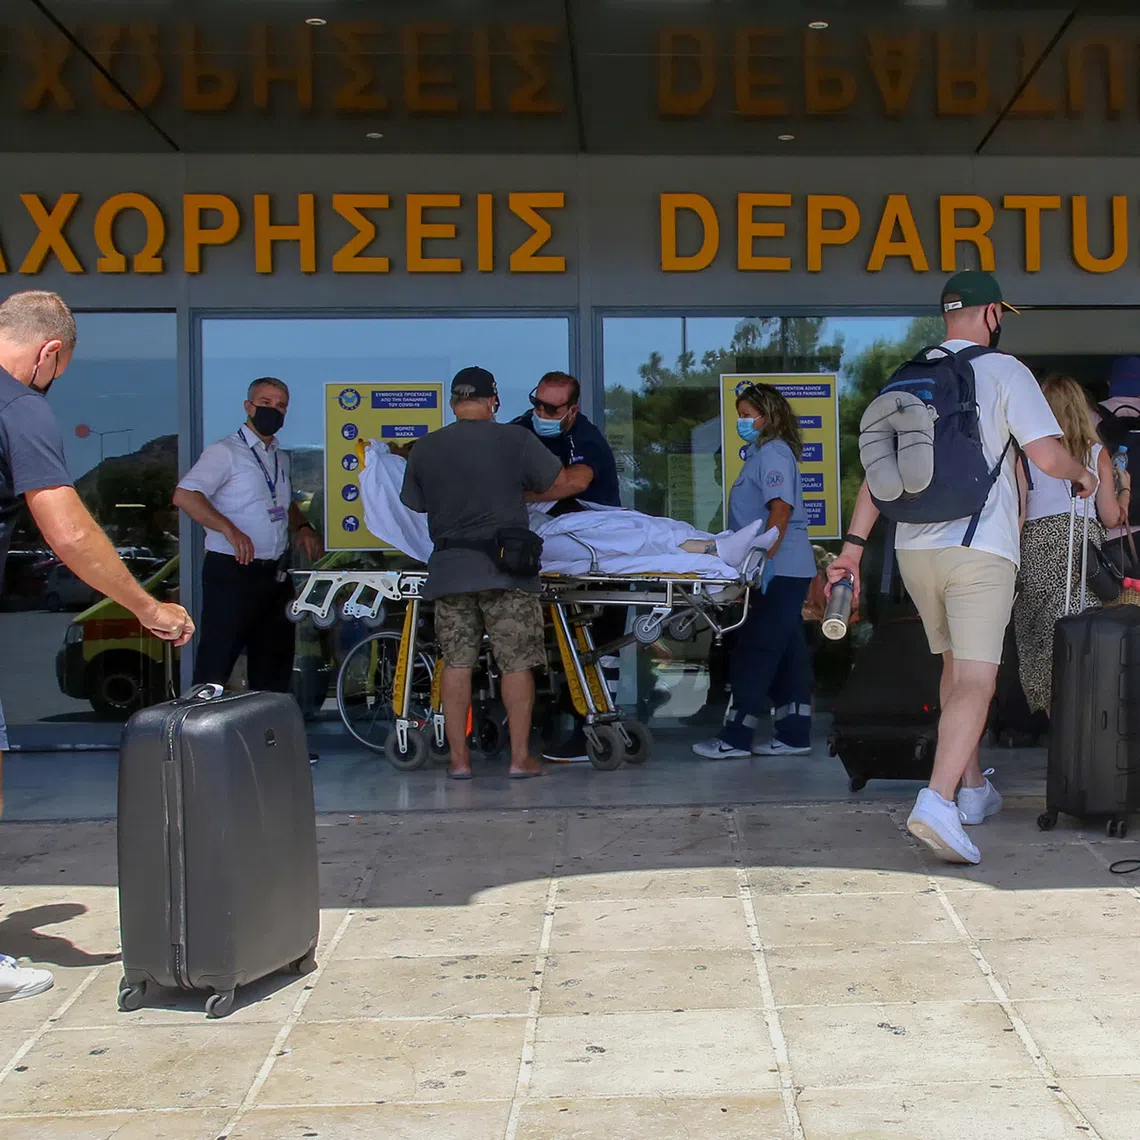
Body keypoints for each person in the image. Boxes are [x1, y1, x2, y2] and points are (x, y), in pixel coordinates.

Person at [828, 271, 1097, 865]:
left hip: (914, 551)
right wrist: (1086, 475)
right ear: (993, 314)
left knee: (954, 667)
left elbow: (879, 475)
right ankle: (938, 801)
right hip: (979, 548)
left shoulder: (906, 374)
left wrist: (851, 549)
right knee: (978, 679)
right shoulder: (1004, 372)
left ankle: (972, 787)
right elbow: (1047, 455)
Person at [0, 290, 193, 1002]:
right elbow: (69, 530)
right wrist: (147, 607)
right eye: (61, 368)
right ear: (50, 353)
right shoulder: (18, 407)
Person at [400, 366, 572, 780]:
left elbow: (415, 503)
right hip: (506, 572)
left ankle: (459, 762)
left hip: (450, 571)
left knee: (456, 663)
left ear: (453, 403)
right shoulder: (515, 440)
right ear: (493, 400)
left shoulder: (426, 447)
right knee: (516, 664)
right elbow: (558, 481)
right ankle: (519, 759)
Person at [173, 378, 323, 701]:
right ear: (248, 407)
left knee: (273, 669)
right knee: (216, 665)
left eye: (281, 405)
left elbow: (282, 504)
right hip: (233, 573)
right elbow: (185, 495)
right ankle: (198, 745)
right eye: (266, 402)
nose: (274, 410)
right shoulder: (225, 452)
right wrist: (229, 529)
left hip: (275, 576)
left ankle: (269, 748)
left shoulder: (279, 458)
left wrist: (303, 526)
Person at [692, 383, 817, 759]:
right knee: (788, 649)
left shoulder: (773, 453)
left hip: (778, 567)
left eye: (747, 416)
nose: (742, 422)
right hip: (785, 566)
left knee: (757, 648)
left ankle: (735, 736)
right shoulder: (764, 453)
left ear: (767, 416)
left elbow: (780, 511)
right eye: (740, 416)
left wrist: (761, 559)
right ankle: (794, 732)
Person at [512, 371, 624, 762]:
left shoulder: (585, 439)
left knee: (599, 648)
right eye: (537, 402)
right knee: (557, 648)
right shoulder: (522, 429)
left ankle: (595, 729)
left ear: (572, 410)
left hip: (600, 552)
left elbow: (573, 483)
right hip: (555, 555)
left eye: (551, 407)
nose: (540, 411)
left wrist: (514, 493)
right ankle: (564, 723)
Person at [1014, 374, 1125, 715]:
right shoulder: (1096, 453)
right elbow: (1110, 517)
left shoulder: (1026, 453)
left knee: (1042, 639)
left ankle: (1057, 722)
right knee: (1079, 634)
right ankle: (1084, 726)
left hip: (1036, 547)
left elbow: (1018, 513)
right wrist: (1126, 489)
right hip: (1081, 551)